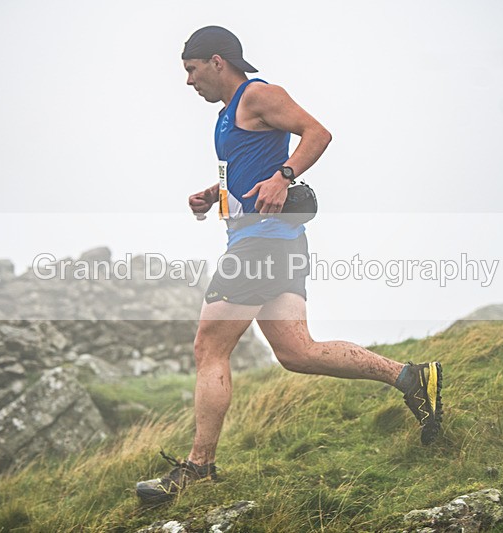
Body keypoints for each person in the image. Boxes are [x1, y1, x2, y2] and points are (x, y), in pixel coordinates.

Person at [135, 26, 444, 504]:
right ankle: (411, 377)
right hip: (273, 242)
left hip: (261, 245)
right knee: (297, 352)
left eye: (191, 71)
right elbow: (240, 179)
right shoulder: (224, 118)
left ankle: (198, 468)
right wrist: (213, 197)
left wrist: (285, 176)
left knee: (208, 348)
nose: (188, 82)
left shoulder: (258, 95)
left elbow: (317, 133)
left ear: (217, 61)